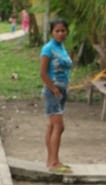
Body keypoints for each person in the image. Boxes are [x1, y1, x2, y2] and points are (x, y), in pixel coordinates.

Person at [40, 18, 73, 174]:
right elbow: (43, 72)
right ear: (52, 32)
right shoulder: (48, 49)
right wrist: (53, 88)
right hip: (53, 91)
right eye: (57, 31)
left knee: (53, 125)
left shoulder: (62, 48)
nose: (60, 33)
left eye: (63, 30)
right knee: (59, 126)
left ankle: (51, 160)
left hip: (61, 91)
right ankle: (54, 162)